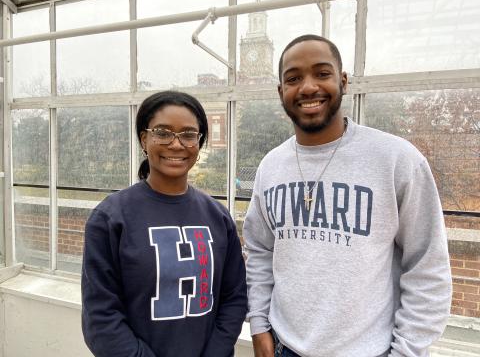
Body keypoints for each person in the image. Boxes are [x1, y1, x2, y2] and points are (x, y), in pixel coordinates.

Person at [244, 34, 452, 357]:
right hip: (283, 347)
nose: (308, 87)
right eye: (294, 78)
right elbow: (259, 250)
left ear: (343, 81)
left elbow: (427, 267)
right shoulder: (270, 167)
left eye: (322, 73)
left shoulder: (397, 160)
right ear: (280, 91)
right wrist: (258, 324)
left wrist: (406, 351)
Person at [82, 91, 247, 357]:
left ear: (199, 142)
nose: (176, 144)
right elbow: (101, 318)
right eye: (163, 132)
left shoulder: (218, 216)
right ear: (144, 139)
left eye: (188, 134)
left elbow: (234, 298)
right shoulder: (111, 218)